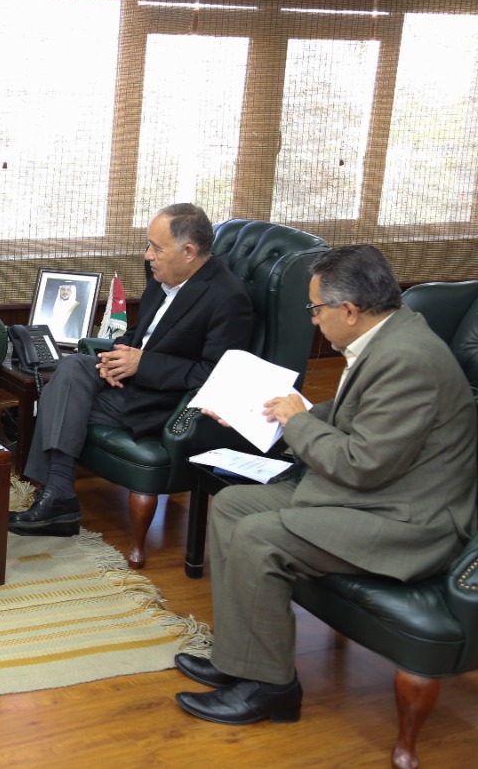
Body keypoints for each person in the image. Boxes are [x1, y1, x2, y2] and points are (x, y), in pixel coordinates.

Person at [174, 245, 478, 725]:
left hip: (404, 522)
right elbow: (351, 417)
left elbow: (361, 465)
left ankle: (272, 689)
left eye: (316, 309)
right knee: (233, 505)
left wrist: (297, 421)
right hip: (374, 496)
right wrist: (264, 414)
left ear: (350, 311)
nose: (313, 320)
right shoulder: (387, 336)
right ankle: (240, 660)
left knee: (257, 536)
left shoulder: (407, 360)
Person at [10, 203, 253, 536]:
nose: (148, 255)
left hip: (164, 399)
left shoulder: (227, 298)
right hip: (130, 381)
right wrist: (116, 358)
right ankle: (58, 494)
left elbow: (215, 374)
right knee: (72, 367)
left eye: (156, 247)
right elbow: (139, 334)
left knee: (61, 396)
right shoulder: (162, 277)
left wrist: (142, 365)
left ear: (188, 252)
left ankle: (57, 494)